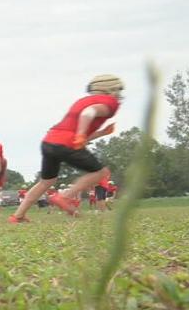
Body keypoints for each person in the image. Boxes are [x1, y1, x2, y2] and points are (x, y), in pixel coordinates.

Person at [10, 74, 123, 223]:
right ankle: (65, 196)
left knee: (46, 181)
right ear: (111, 88)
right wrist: (81, 133)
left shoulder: (82, 101)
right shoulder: (110, 102)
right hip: (66, 142)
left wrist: (101, 133)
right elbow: (88, 113)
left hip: (49, 141)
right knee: (101, 172)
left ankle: (17, 216)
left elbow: (77, 133)